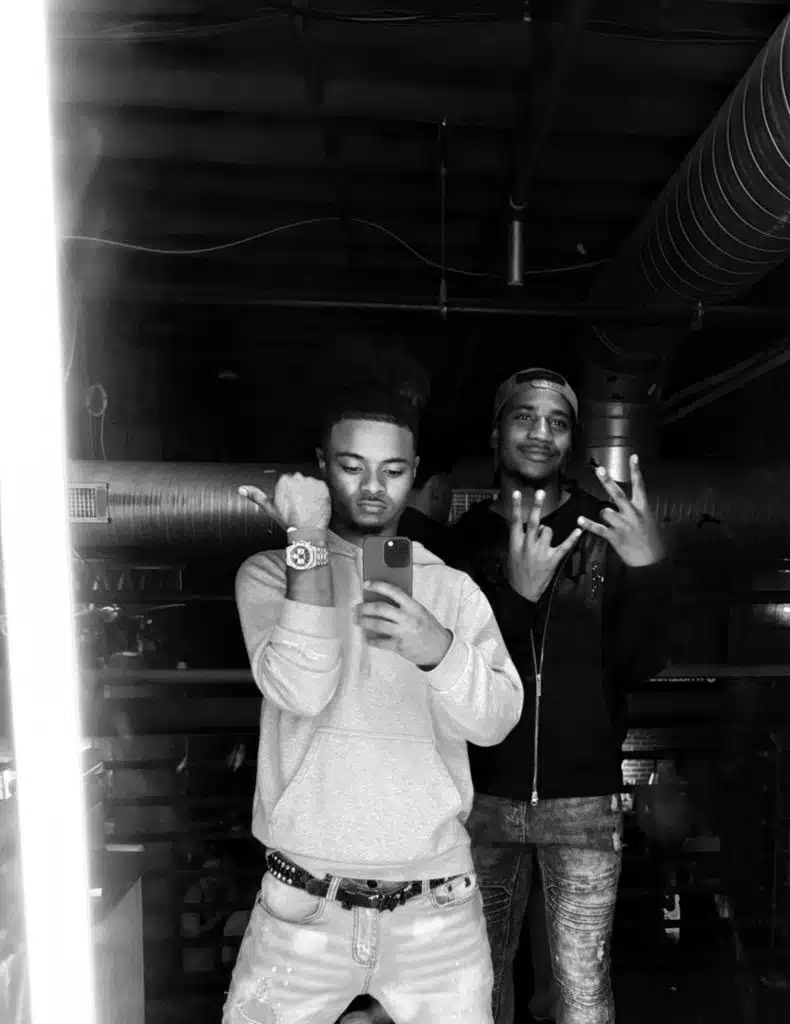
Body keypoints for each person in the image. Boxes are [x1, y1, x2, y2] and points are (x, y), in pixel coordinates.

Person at [223, 384, 523, 1024]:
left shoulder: (451, 588)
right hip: (301, 905)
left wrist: (438, 650)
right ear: (321, 466)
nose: (371, 487)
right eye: (351, 466)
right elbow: (302, 687)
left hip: (438, 910)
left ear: (414, 474)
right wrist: (307, 538)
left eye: (391, 470)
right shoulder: (272, 573)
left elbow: (497, 722)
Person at [448, 367, 676, 1024]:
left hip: (584, 799)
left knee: (582, 987)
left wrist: (649, 568)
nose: (540, 433)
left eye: (557, 422)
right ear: (496, 432)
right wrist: (515, 596)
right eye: (524, 416)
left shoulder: (606, 529)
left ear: (571, 441)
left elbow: (644, 661)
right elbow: (451, 670)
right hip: (481, 797)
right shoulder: (463, 544)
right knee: (477, 985)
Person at [397, 425, 456, 563]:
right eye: (450, 487)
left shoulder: (385, 530)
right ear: (437, 486)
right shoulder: (444, 543)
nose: (451, 498)